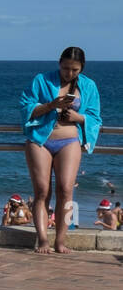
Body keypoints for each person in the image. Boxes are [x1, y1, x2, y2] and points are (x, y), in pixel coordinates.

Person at [21, 46, 102, 254]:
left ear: (81, 68)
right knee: (42, 191)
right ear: (59, 63)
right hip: (41, 140)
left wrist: (79, 118)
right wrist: (51, 105)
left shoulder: (88, 86)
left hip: (69, 141)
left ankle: (60, 240)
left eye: (75, 70)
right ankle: (42, 240)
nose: (70, 73)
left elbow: (95, 117)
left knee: (66, 190)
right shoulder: (42, 80)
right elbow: (26, 108)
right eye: (66, 68)